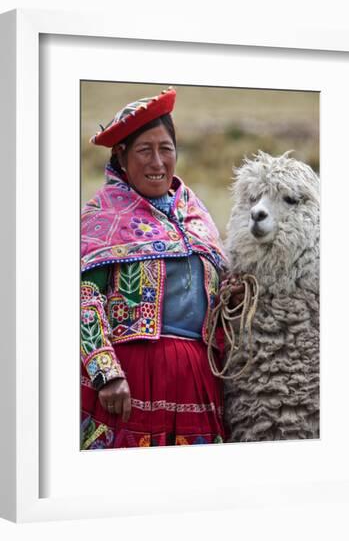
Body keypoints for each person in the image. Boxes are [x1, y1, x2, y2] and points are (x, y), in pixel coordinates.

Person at [80, 87, 228, 449]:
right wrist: (106, 373)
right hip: (131, 379)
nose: (157, 162)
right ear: (121, 155)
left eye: (166, 149)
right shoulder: (103, 217)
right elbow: (83, 298)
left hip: (196, 378)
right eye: (145, 150)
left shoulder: (194, 212)